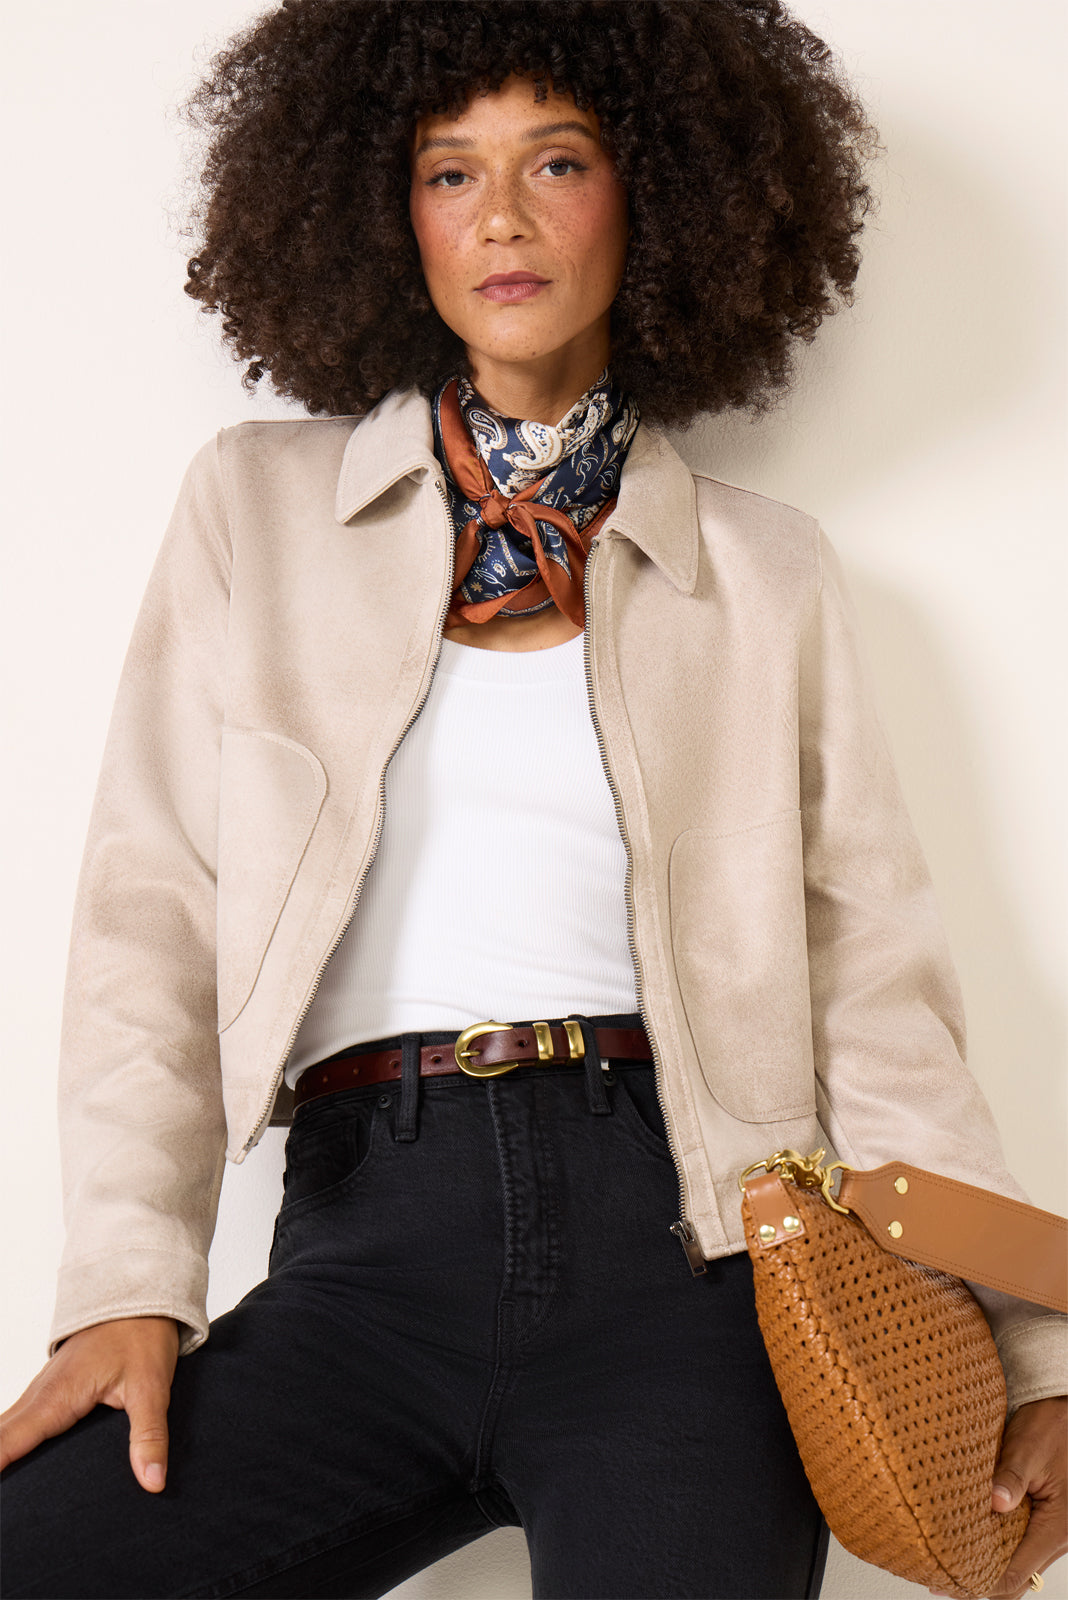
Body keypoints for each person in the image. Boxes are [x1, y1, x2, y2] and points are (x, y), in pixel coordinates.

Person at [1, 2, 1065, 1597]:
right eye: (450, 172)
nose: (500, 215)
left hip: (693, 1267)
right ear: (388, 216)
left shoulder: (766, 573)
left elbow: (876, 997)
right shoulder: (254, 509)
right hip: (365, 1242)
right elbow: (150, 920)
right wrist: (123, 1282)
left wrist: (1042, 1347)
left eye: (556, 162)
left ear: (657, 194)